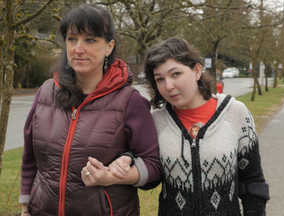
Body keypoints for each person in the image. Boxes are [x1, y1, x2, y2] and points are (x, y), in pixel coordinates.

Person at [19, 4, 162, 216]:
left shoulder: (129, 100)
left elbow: (153, 166)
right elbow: (31, 156)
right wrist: (25, 206)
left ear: (109, 47)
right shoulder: (46, 92)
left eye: (90, 40)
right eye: (72, 39)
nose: (78, 49)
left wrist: (112, 176)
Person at [113, 36, 269, 215]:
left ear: (196, 71)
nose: (168, 86)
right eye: (160, 79)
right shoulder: (155, 121)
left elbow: (253, 182)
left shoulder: (236, 113)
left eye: (175, 74)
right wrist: (127, 159)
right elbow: (150, 180)